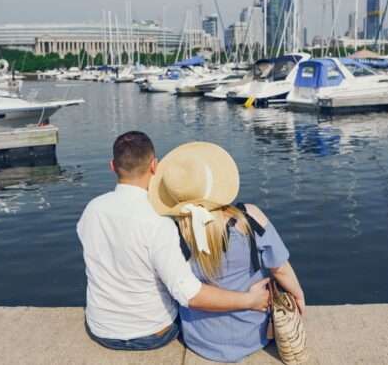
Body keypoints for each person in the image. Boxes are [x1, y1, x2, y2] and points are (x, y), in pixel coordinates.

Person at [76, 131, 270, 352]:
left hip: (100, 328)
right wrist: (250, 301)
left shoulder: (92, 210)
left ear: (112, 166)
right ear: (154, 166)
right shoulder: (158, 221)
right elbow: (189, 294)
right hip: (151, 333)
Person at [148, 141, 305, 362]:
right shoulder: (249, 218)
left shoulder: (172, 230)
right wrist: (298, 296)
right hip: (253, 335)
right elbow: (280, 269)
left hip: (200, 339)